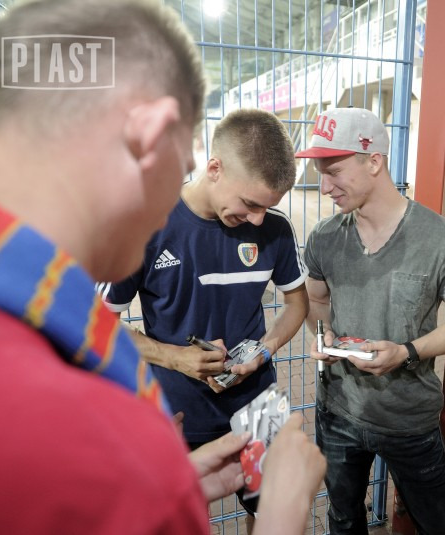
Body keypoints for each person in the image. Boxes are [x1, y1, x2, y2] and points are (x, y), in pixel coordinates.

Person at [0, 1, 324, 533]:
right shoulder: (59, 399)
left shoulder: (33, 305)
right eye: (181, 165)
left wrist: (172, 487)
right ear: (148, 137)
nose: (165, 210)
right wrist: (282, 519)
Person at [98, 107, 308, 519]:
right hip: (177, 412)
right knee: (174, 518)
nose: (258, 219)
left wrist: (263, 351)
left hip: (260, 407)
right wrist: (177, 358)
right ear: (214, 169)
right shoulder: (143, 225)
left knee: (273, 513)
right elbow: (96, 323)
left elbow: (296, 304)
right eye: (249, 204)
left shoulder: (276, 229)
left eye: (267, 207)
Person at [297, 107, 445, 534]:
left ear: (374, 161)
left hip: (409, 418)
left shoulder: (440, 238)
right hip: (338, 410)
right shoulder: (325, 237)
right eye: (320, 173)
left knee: (434, 524)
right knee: (343, 518)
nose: (324, 187)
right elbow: (316, 299)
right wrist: (326, 339)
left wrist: (406, 352)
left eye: (334, 171)